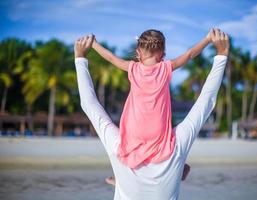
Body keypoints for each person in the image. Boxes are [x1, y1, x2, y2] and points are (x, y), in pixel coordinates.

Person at [74, 29, 229, 199]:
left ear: (138, 52)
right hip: (163, 148)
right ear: (162, 53)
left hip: (130, 148)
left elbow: (90, 99)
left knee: (167, 170)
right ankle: (131, 179)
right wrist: (217, 49)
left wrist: (85, 52)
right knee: (178, 167)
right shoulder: (165, 68)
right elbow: (205, 96)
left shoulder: (119, 147)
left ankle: (125, 181)